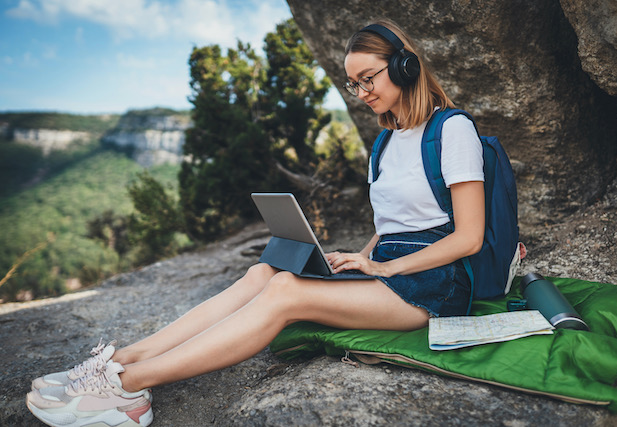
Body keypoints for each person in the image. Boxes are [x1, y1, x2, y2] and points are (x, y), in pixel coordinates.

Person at [26, 18, 485, 427]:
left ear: (405, 66)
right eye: (353, 84)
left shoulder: (452, 129)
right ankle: (125, 357)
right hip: (389, 271)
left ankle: (127, 387)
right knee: (262, 273)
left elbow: (469, 236)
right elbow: (395, 222)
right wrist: (361, 258)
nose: (363, 93)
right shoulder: (386, 142)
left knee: (285, 292)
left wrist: (386, 269)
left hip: (435, 287)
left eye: (368, 79)